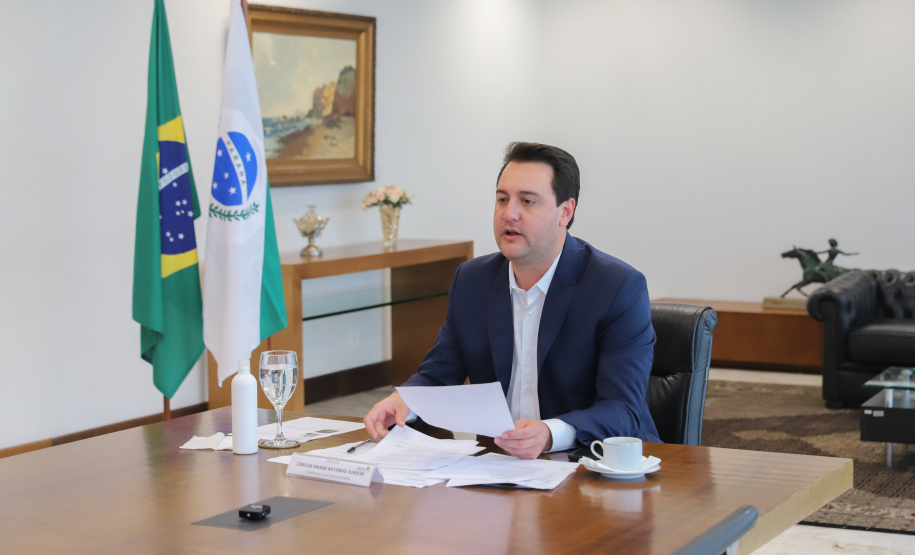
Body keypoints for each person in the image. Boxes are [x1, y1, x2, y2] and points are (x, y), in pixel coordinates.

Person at [363, 142, 661, 459]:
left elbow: (623, 409)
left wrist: (550, 433)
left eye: (527, 201)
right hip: (500, 464)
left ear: (566, 212)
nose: (510, 213)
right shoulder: (472, 281)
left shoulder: (616, 288)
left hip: (594, 462)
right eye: (502, 199)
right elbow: (439, 374)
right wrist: (405, 400)